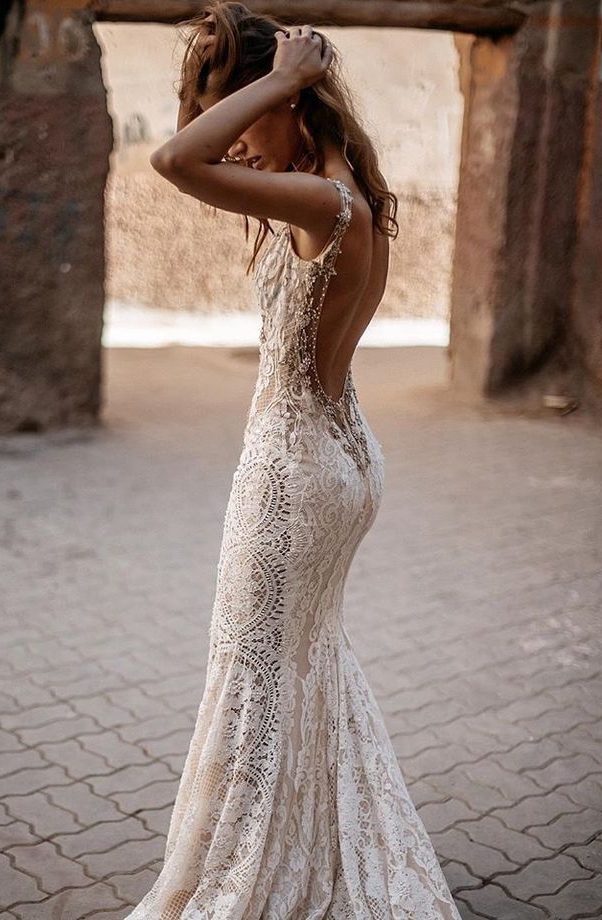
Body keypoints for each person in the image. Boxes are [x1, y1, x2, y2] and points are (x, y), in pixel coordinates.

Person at [125, 3, 461, 917]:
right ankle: (308, 839)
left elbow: (173, 161)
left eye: (228, 110)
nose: (224, 141)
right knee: (305, 667)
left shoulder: (323, 204)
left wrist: (281, 77)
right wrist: (271, 93)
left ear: (287, 96)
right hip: (340, 456)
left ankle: (260, 869)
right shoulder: (339, 190)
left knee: (257, 675)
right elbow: (203, 153)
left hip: (293, 471)